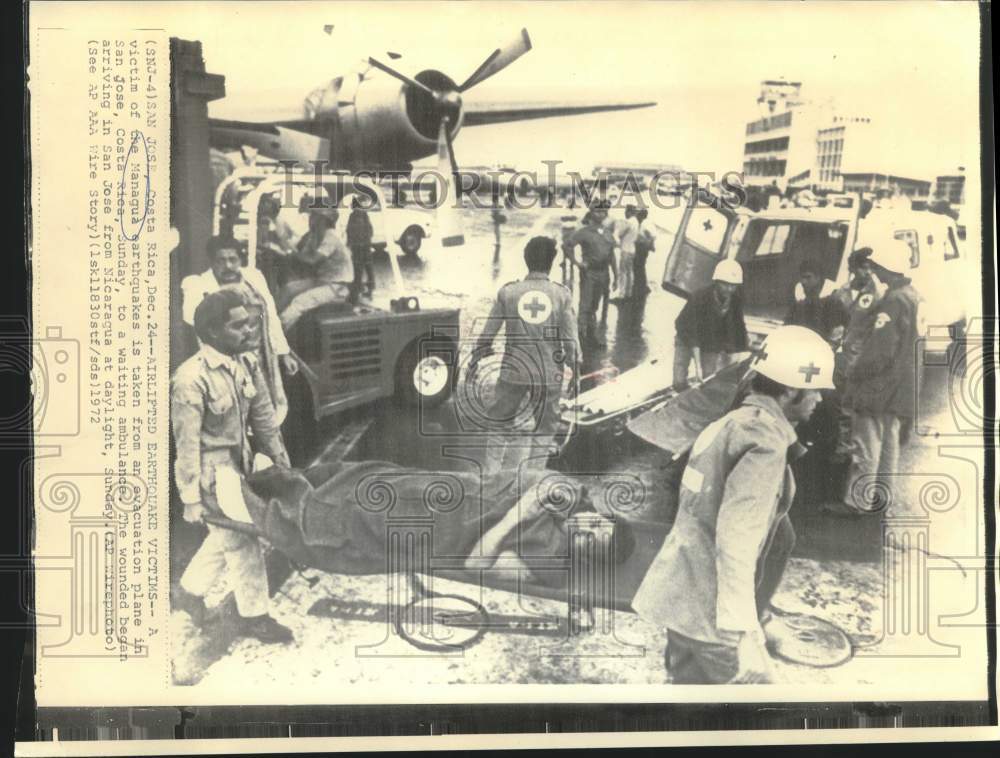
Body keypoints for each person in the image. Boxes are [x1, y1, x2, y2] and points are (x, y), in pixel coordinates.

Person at [632, 325, 836, 684]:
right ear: (790, 389)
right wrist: (746, 633)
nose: (820, 398)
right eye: (815, 388)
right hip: (714, 618)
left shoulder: (730, 423)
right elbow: (737, 541)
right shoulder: (764, 443)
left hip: (678, 599)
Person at [171, 289, 294, 644]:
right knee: (243, 541)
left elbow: (265, 419)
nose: (249, 331)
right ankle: (255, 617)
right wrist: (191, 499)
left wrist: (283, 465)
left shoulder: (247, 363)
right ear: (212, 332)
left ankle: (189, 593)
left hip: (238, 470)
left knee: (226, 537)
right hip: (212, 477)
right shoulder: (190, 380)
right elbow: (187, 446)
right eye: (239, 326)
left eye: (250, 323)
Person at [825, 239, 923, 517]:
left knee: (866, 444)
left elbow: (879, 351)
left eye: (879, 267)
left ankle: (856, 502)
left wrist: (854, 375)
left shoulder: (893, 301)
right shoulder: (913, 296)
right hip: (900, 385)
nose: (876, 272)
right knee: (889, 445)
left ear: (889, 268)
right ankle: (881, 499)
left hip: (877, 386)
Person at [471, 236, 580, 483]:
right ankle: (532, 482)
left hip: (513, 372)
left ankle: (489, 479)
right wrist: (575, 370)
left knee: (498, 425)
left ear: (526, 259)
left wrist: (475, 361)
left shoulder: (509, 292)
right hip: (548, 374)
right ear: (552, 262)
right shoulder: (561, 295)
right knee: (544, 430)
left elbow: (487, 334)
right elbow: (571, 341)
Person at [181, 236, 298, 425]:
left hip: (259, 357)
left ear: (240, 260)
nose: (228, 265)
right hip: (225, 361)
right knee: (229, 414)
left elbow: (271, 317)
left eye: (233, 259)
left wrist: (284, 353)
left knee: (264, 412)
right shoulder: (197, 284)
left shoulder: (254, 278)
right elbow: (191, 317)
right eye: (221, 260)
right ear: (211, 262)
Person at [672, 260, 749, 389]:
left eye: (733, 286)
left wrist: (743, 346)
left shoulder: (735, 299)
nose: (729, 289)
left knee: (708, 378)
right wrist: (697, 367)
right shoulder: (699, 297)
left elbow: (738, 325)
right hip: (686, 336)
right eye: (725, 285)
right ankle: (679, 390)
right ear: (717, 282)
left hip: (710, 340)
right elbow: (691, 332)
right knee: (679, 380)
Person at [277, 207, 353, 331]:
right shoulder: (314, 236)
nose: (310, 219)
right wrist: (287, 252)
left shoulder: (331, 237)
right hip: (322, 281)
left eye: (314, 217)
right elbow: (301, 256)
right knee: (288, 289)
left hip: (337, 286)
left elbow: (312, 260)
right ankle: (270, 321)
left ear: (323, 220)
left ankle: (275, 337)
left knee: (298, 303)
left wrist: (289, 253)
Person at [564, 202, 618, 348]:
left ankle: (591, 335)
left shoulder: (607, 232)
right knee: (585, 305)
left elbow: (611, 255)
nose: (601, 214)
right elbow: (567, 245)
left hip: (604, 272)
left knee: (595, 305)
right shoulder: (584, 232)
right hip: (590, 273)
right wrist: (577, 263)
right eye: (598, 211)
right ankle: (581, 337)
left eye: (604, 212)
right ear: (591, 213)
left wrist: (616, 276)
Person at [784, 258, 848, 340]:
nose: (803, 281)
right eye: (802, 278)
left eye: (808, 277)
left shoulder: (834, 298)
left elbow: (839, 330)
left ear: (819, 278)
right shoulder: (799, 293)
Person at [346, 196, 375, 303]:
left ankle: (358, 290)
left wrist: (350, 243)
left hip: (359, 247)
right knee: (367, 268)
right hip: (364, 246)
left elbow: (349, 231)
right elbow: (370, 231)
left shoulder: (354, 216)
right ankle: (368, 288)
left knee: (359, 269)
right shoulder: (363, 215)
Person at [611, 205, 640, 301]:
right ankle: (629, 293)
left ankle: (621, 294)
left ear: (629, 212)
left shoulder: (628, 222)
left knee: (622, 272)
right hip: (632, 249)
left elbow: (619, 233)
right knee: (629, 272)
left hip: (626, 250)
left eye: (626, 211)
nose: (625, 213)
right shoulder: (636, 222)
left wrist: (616, 230)